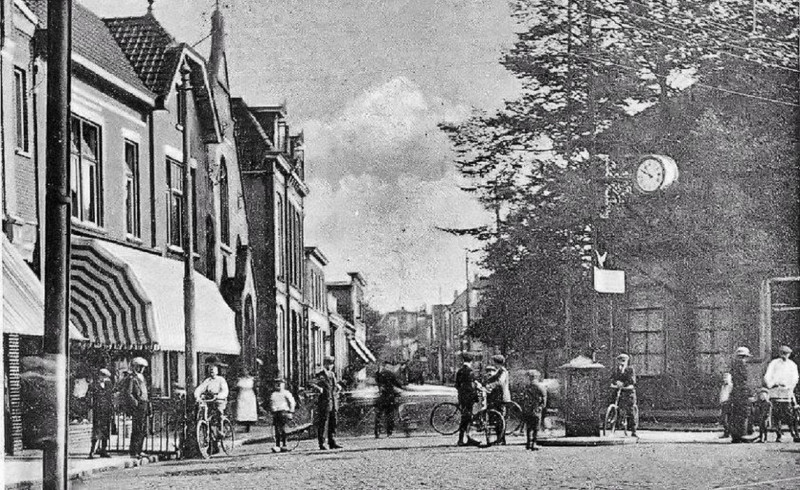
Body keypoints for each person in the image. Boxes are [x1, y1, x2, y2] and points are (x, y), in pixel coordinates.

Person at [763, 345, 799, 442]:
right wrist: (771, 384)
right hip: (775, 391)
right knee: (776, 414)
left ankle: (794, 434)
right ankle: (779, 434)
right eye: (782, 353)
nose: (784, 355)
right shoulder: (774, 363)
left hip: (786, 392)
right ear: (779, 353)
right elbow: (767, 375)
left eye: (786, 354)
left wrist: (788, 386)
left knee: (789, 414)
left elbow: (795, 378)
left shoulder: (792, 365)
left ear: (789, 354)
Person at [313, 356, 343, 450]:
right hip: (324, 402)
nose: (330, 366)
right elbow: (311, 383)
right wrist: (318, 388)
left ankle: (332, 442)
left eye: (331, 364)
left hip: (333, 402)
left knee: (333, 422)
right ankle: (322, 443)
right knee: (323, 423)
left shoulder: (332, 375)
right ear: (324, 364)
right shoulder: (320, 375)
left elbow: (334, 386)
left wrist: (338, 386)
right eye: (328, 364)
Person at [194, 364, 229, 435]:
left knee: (218, 412)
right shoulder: (208, 380)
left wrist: (219, 396)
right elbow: (200, 388)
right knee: (205, 413)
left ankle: (220, 430)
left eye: (213, 370)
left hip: (219, 400)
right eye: (210, 370)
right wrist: (197, 396)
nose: (211, 371)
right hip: (210, 399)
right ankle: (208, 431)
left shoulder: (221, 380)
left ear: (217, 371)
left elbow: (225, 391)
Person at [484, 354, 511, 445]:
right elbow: (494, 378)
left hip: (502, 397)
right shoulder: (499, 371)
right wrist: (487, 381)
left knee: (501, 418)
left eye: (494, 362)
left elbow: (500, 382)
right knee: (497, 417)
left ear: (497, 362)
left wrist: (490, 385)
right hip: (497, 396)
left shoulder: (503, 371)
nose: (493, 364)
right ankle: (499, 438)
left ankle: (501, 439)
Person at [609, 353, 638, 438]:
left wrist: (623, 384)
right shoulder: (616, 370)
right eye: (620, 361)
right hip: (618, 392)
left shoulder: (630, 370)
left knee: (631, 410)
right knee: (615, 408)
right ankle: (613, 429)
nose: (622, 363)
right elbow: (612, 379)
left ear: (627, 362)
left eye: (624, 361)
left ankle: (633, 431)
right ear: (617, 361)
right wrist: (615, 383)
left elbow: (632, 381)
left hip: (628, 393)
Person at [455, 352, 480, 447]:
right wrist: (475, 396)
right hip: (469, 397)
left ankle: (465, 438)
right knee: (467, 417)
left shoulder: (460, 371)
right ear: (472, 361)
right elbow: (472, 386)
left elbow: (456, 385)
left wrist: (461, 393)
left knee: (465, 416)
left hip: (462, 396)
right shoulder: (470, 371)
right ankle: (462, 439)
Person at [87, 368, 114, 458]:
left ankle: (104, 450)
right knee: (96, 430)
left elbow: (110, 397)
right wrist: (91, 408)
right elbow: (89, 397)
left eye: (105, 377)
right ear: (99, 375)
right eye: (102, 376)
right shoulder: (93, 385)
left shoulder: (108, 385)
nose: (103, 378)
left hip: (106, 410)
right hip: (98, 410)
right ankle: (92, 451)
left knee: (106, 430)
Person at [126, 357, 150, 458]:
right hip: (138, 405)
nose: (141, 369)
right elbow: (129, 393)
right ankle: (134, 451)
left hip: (144, 404)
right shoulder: (132, 378)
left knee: (143, 429)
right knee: (137, 428)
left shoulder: (142, 378)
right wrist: (135, 402)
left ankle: (140, 449)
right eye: (140, 367)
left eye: (143, 367)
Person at [729, 346, 754, 443]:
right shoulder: (743, 367)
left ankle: (735, 436)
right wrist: (750, 393)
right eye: (743, 357)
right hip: (743, 393)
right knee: (743, 414)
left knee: (736, 414)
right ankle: (742, 435)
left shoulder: (733, 366)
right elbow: (745, 382)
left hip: (736, 393)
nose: (743, 359)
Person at [520, 369, 548, 451]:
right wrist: (542, 406)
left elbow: (522, 397)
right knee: (536, 427)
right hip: (536, 409)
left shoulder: (527, 386)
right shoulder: (540, 386)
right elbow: (544, 397)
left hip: (528, 408)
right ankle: (534, 443)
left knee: (529, 427)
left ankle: (528, 443)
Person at [374, 361, 403, 438]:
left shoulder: (378, 374)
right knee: (390, 415)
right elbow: (397, 384)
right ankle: (389, 432)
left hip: (381, 396)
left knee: (379, 414)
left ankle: (377, 431)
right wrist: (402, 387)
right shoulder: (390, 374)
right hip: (390, 396)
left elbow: (377, 382)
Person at [269, 377, 296, 453]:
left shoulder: (286, 393)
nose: (278, 385)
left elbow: (292, 402)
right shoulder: (273, 394)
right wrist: (272, 410)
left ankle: (284, 444)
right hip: (276, 412)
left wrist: (291, 411)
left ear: (283, 385)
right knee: (277, 429)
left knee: (283, 428)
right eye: (276, 384)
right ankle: (277, 445)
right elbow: (271, 403)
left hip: (284, 412)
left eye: (280, 384)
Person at [235, 369, 258, 433]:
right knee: (242, 410)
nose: (245, 373)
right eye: (244, 372)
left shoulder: (251, 380)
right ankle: (244, 424)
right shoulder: (240, 380)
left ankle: (248, 425)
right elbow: (237, 388)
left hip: (249, 396)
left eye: (246, 372)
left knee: (249, 410)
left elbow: (255, 388)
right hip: (242, 396)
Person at [719, 372, 733, 439]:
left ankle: (728, 432)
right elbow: (722, 394)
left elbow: (731, 395)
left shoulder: (731, 386)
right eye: (724, 378)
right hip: (723, 403)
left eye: (726, 378)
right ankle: (727, 432)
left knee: (727, 419)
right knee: (724, 419)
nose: (725, 379)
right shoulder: (723, 386)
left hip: (728, 404)